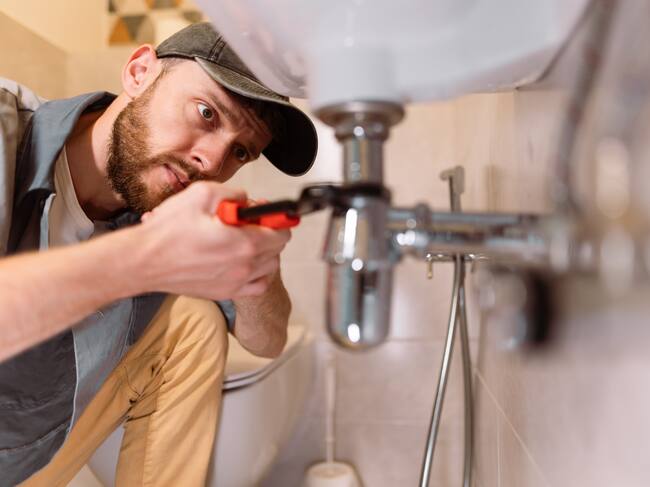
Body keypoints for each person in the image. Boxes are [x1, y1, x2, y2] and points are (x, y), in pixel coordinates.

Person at [0, 22, 317, 486]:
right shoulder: (6, 131)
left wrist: (257, 270)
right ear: (139, 72)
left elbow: (267, 341)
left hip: (29, 460)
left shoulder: (166, 204)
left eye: (240, 152)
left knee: (193, 321)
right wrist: (146, 257)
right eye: (207, 113)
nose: (213, 162)